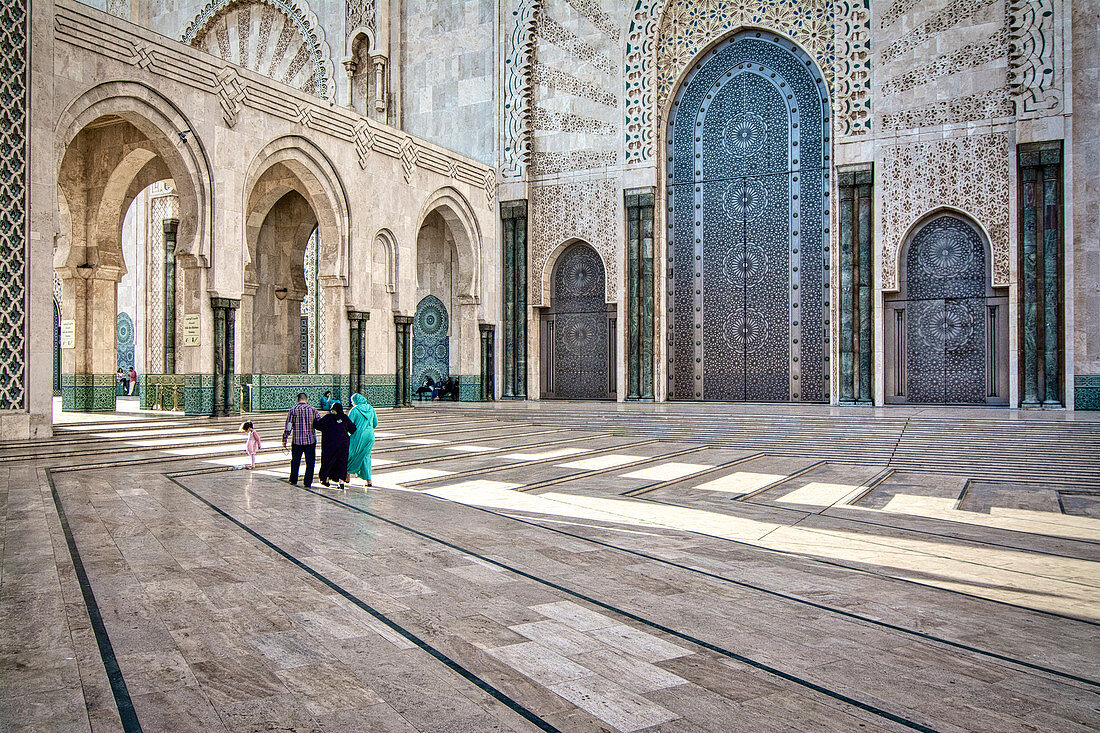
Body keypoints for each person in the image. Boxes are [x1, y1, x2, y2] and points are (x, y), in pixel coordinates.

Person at [314, 401, 356, 489]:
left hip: (329, 444)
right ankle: (341, 482)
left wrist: (314, 419)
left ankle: (326, 479)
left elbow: (318, 425)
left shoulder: (328, 418)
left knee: (328, 461)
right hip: (343, 444)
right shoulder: (344, 417)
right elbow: (352, 429)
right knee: (342, 462)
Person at [282, 393, 320, 487]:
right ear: (306, 399)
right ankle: (307, 482)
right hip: (310, 440)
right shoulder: (313, 410)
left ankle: (293, 479)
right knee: (310, 463)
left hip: (297, 440)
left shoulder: (293, 410)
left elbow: (289, 425)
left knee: (295, 461)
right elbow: (320, 422)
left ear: (297, 399)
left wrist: (285, 438)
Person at [346, 393, 378, 487]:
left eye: (352, 401)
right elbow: (375, 423)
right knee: (366, 456)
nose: (352, 403)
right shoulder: (371, 408)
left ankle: (347, 474)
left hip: (358, 435)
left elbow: (349, 424)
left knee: (351, 454)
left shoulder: (355, 410)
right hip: (370, 435)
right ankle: (369, 480)